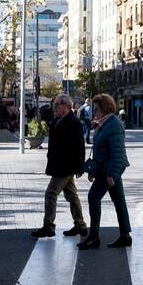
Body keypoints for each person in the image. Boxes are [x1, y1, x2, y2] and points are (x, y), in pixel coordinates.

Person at [31, 93, 88, 239]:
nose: (55, 108)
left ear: (66, 106)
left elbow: (79, 146)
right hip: (60, 163)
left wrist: (80, 166)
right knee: (71, 195)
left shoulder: (72, 122)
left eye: (57, 105)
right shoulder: (58, 119)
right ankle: (80, 225)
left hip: (65, 165)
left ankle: (48, 226)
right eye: (54, 105)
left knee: (51, 193)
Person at [80, 94, 131, 249]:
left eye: (96, 109)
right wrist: (92, 170)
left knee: (93, 197)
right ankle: (125, 235)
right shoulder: (104, 123)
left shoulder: (113, 125)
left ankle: (94, 236)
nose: (94, 112)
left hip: (108, 171)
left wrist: (112, 174)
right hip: (103, 169)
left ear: (105, 108)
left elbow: (118, 153)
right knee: (119, 202)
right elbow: (99, 150)